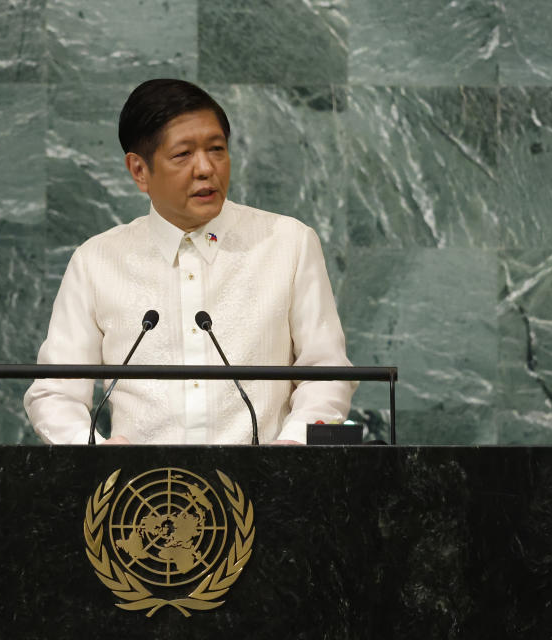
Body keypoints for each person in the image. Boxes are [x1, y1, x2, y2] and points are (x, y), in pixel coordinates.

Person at [24, 79, 356, 445]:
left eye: (217, 149)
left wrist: (291, 448)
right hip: (140, 497)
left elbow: (326, 372)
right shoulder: (97, 261)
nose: (205, 168)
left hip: (267, 490)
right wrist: (96, 455)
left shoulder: (288, 244)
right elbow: (54, 394)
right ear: (139, 171)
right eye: (183, 155)